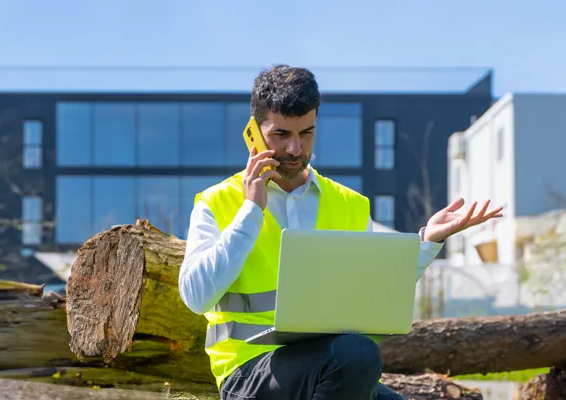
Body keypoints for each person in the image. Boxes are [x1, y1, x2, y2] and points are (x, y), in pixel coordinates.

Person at [178, 64, 503, 400]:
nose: (295, 149)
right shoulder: (217, 202)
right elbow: (195, 296)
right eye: (281, 135)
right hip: (249, 372)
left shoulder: (349, 204)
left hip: (330, 366)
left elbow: (375, 286)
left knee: (358, 358)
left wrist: (428, 241)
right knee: (356, 353)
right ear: (254, 133)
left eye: (306, 133)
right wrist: (250, 212)